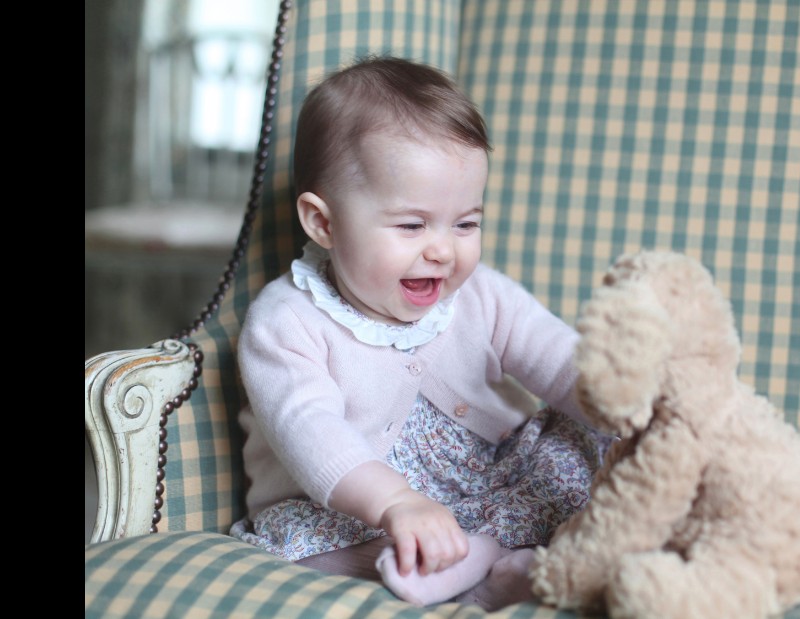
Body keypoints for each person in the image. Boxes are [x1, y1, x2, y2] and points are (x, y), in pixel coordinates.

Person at [228, 55, 608, 611]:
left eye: (466, 223)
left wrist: (624, 403)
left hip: (492, 471)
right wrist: (396, 503)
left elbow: (558, 358)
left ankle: (494, 555)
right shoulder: (285, 323)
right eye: (412, 225)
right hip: (356, 502)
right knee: (306, 548)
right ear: (324, 223)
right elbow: (310, 430)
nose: (442, 249)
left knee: (581, 451)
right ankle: (468, 569)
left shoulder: (482, 296)